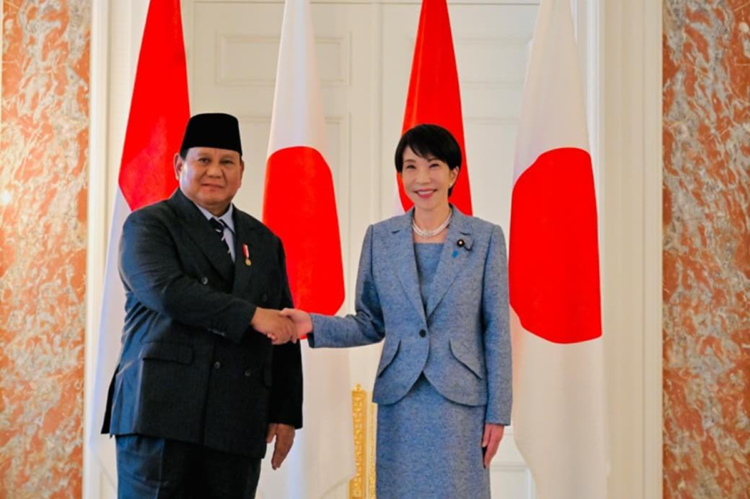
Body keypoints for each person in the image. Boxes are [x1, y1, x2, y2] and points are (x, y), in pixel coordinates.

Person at [283, 123, 512, 498]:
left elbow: (497, 330)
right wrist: (312, 323)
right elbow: (370, 322)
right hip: (400, 401)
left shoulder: (485, 238)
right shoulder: (380, 238)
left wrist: (498, 413)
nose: (422, 178)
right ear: (401, 175)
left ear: (453, 174)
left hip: (461, 405)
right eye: (410, 167)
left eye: (434, 165)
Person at [102, 113, 302, 498]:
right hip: (161, 416)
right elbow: (168, 292)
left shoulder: (265, 241)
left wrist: (285, 412)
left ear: (241, 172)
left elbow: (283, 326)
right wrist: (251, 315)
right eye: (203, 160)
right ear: (180, 165)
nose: (215, 171)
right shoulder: (149, 225)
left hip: (236, 420)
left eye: (227, 161)